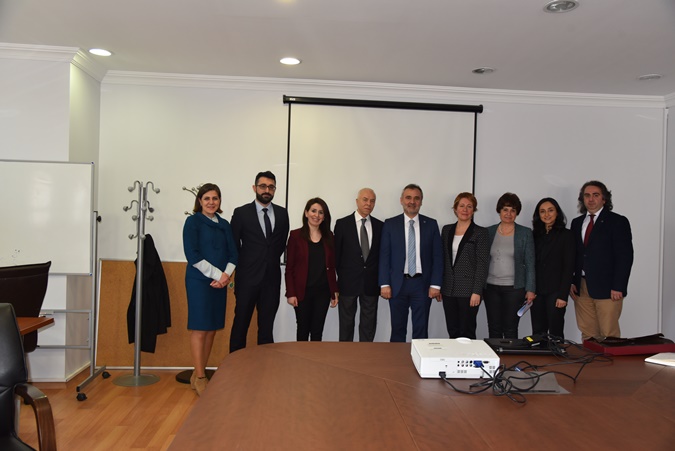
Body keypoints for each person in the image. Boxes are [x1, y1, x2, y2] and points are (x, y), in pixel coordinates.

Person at [183, 183, 238, 395]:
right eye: (207, 198)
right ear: (199, 201)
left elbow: (234, 254)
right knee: (200, 328)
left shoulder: (224, 224)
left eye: (215, 198)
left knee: (212, 328)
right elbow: (193, 255)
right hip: (199, 281)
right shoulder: (192, 222)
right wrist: (219, 276)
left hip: (220, 283)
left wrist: (225, 276)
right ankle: (200, 377)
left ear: (219, 201)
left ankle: (198, 372)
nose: (211, 202)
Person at [229, 171, 290, 352]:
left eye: (271, 187)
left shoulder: (282, 213)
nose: (267, 190)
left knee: (266, 328)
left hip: (271, 279)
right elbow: (233, 245)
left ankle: (265, 366)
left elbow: (280, 244)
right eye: (263, 186)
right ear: (254, 188)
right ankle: (235, 366)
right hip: (247, 279)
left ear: (275, 190)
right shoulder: (241, 213)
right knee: (240, 325)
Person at [570, 181, 633, 341]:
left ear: (604, 199)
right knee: (588, 335)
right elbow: (573, 255)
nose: (591, 199)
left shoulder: (617, 221)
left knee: (609, 335)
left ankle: (612, 359)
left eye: (595, 195)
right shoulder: (577, 223)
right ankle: (591, 359)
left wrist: (618, 286)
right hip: (582, 288)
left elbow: (625, 256)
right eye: (587, 195)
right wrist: (571, 281)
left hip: (608, 289)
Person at [379, 184, 443, 342]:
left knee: (421, 329)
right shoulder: (390, 224)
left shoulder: (431, 224)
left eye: (416, 198)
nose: (412, 202)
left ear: (421, 201)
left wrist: (436, 284)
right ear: (401, 200)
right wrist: (384, 284)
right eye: (408, 198)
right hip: (397, 284)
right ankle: (396, 358)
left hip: (422, 284)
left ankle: (420, 358)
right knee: (397, 328)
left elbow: (437, 256)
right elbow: (384, 256)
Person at [285, 198, 339, 341]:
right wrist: (291, 293)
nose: (316, 215)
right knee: (302, 329)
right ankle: (301, 357)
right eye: (313, 211)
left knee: (317, 331)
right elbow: (289, 268)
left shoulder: (329, 236)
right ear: (306, 213)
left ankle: (315, 357)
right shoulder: (295, 236)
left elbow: (332, 267)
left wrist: (334, 290)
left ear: (324, 216)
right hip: (302, 292)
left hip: (323, 292)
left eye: (321, 212)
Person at [334, 188, 383, 342]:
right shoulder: (342, 224)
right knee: (346, 325)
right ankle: (346, 354)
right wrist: (337, 283)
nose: (368, 204)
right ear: (357, 201)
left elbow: (381, 257)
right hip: (347, 284)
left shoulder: (380, 226)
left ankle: (366, 355)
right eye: (365, 199)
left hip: (371, 284)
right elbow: (336, 256)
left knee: (368, 326)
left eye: (372, 201)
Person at [484, 192, 535, 339]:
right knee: (494, 328)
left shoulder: (525, 233)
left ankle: (511, 354)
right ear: (499, 211)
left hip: (514, 289)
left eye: (513, 210)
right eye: (505, 209)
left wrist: (531, 289)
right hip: (490, 288)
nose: (509, 214)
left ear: (517, 213)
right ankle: (495, 354)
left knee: (511, 328)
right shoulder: (488, 232)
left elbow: (530, 262)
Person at [439, 192, 489, 339]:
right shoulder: (446, 230)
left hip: (469, 291)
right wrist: (439, 286)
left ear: (474, 210)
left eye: (469, 206)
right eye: (461, 206)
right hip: (448, 289)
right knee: (452, 331)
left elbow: (482, 264)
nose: (465, 210)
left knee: (467, 332)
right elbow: (442, 259)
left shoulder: (481, 232)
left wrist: (477, 291)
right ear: (455, 208)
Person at [531, 197, 574, 339]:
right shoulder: (534, 235)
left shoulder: (567, 235)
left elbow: (569, 267)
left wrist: (563, 295)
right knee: (538, 332)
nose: (546, 214)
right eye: (542, 211)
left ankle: (557, 353)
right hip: (537, 291)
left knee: (556, 331)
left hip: (556, 291)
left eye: (550, 210)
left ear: (557, 212)